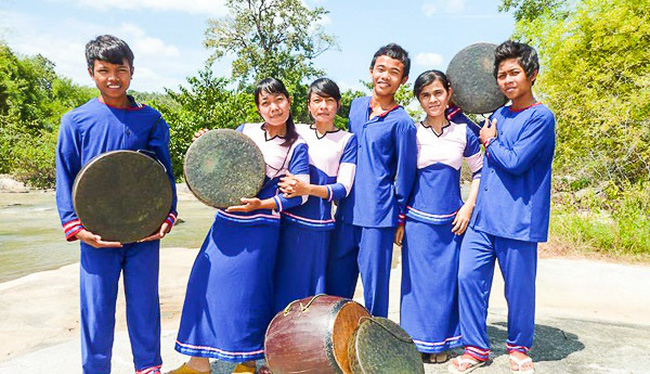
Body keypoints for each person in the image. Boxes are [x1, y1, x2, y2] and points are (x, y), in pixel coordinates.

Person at [169, 78, 310, 374]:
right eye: (266, 103)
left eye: (279, 100)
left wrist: (262, 204)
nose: (274, 108)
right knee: (202, 285)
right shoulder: (243, 132)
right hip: (226, 224)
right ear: (258, 108)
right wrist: (205, 145)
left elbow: (298, 196)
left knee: (249, 295)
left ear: (289, 101)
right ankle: (198, 363)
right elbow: (214, 168)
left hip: (260, 229)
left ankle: (246, 361)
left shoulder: (297, 146)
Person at [55, 34, 178, 374]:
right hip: (96, 233)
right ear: (91, 73)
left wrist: (167, 217)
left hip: (143, 232)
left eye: (120, 69)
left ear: (132, 71)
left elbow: (163, 174)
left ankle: (148, 367)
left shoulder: (150, 119)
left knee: (144, 306)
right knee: (96, 310)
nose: (113, 78)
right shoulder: (75, 121)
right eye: (103, 70)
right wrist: (77, 229)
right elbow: (64, 178)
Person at [449, 40, 556, 374]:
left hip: (519, 219)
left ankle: (519, 348)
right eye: (501, 75)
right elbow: (481, 137)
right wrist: (454, 113)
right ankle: (476, 348)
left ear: (532, 74)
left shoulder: (541, 117)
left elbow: (515, 161)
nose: (507, 80)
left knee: (519, 289)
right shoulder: (497, 114)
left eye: (514, 73)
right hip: (484, 217)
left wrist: (491, 141)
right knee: (467, 277)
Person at [395, 70, 482, 364]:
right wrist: (401, 220)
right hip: (418, 221)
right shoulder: (412, 133)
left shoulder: (463, 133)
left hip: (452, 222)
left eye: (437, 93)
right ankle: (414, 343)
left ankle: (441, 342)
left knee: (446, 283)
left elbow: (481, 172)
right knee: (415, 285)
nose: (432, 100)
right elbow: (403, 179)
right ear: (419, 99)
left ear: (448, 93)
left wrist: (468, 206)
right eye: (425, 95)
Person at [326, 43, 417, 317]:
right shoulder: (355, 107)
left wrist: (400, 219)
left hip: (378, 218)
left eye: (394, 72)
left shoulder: (403, 122)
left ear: (403, 80)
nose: (385, 76)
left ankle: (376, 345)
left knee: (374, 289)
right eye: (381, 69)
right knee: (336, 286)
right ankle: (333, 343)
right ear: (370, 71)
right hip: (345, 214)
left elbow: (405, 175)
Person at [273, 78, 357, 313]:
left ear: (338, 105)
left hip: (318, 226)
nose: (323, 106)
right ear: (308, 105)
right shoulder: (295, 131)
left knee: (312, 288)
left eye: (329, 101)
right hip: (286, 219)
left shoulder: (347, 140)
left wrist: (307, 189)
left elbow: (343, 188)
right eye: (317, 100)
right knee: (281, 282)